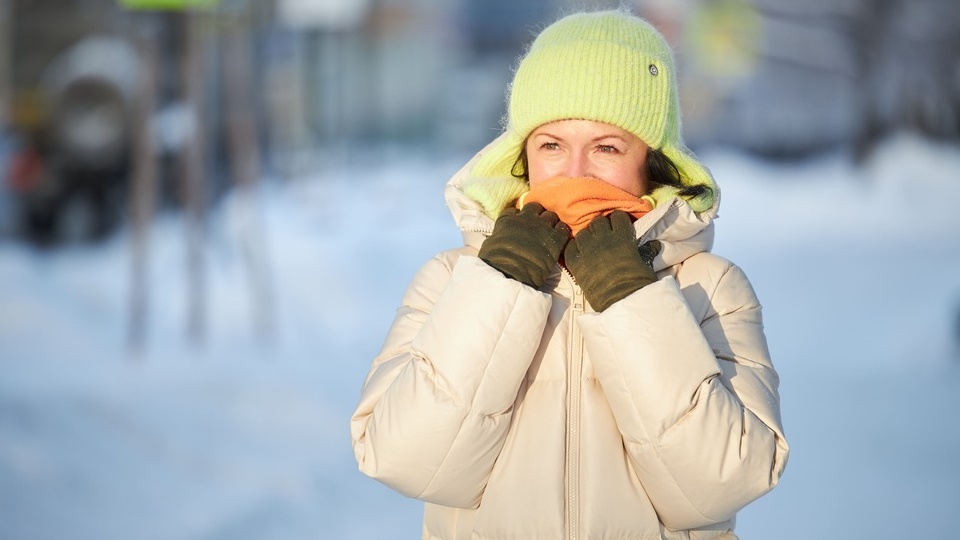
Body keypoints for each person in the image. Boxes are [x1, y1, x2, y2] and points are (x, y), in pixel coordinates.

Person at [351, 9, 788, 540]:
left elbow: (721, 483)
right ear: (524, 156)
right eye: (552, 145)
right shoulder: (450, 280)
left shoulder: (712, 289)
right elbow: (407, 460)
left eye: (606, 147)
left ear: (651, 162)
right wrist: (500, 285)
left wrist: (632, 299)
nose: (575, 173)